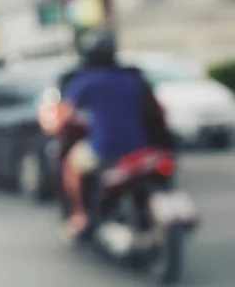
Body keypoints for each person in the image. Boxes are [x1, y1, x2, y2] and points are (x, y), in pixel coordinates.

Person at [39, 28, 174, 240]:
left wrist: (52, 125)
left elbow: (63, 117)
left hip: (104, 148)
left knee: (71, 166)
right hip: (143, 147)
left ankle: (80, 215)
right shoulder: (132, 77)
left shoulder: (85, 81)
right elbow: (159, 110)